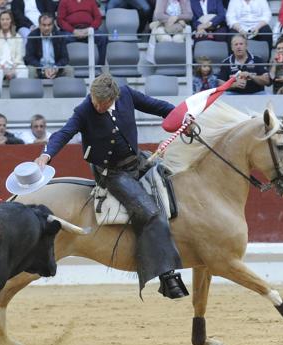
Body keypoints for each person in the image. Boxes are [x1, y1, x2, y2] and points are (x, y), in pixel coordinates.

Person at [34, 73, 188, 299]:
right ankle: (167, 275)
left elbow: (156, 106)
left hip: (137, 161)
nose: (96, 105)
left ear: (113, 98)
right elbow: (64, 133)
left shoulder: (125, 93)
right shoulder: (85, 109)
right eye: (94, 100)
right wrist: (46, 155)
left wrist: (182, 115)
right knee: (150, 212)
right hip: (112, 173)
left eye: (101, 103)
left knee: (175, 182)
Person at [0, 10, 28, 87]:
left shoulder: (17, 36)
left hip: (13, 66)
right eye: (2, 19)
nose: (5, 22)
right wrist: (2, 67)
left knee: (23, 69)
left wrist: (13, 69)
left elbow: (20, 55)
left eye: (7, 19)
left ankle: (20, 97)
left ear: (11, 21)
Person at [57, 0, 107, 67]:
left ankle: (100, 67)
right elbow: (60, 20)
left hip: (89, 30)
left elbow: (98, 18)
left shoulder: (91, 1)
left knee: (102, 37)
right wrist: (73, 31)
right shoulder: (64, 1)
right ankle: (62, 67)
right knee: (60, 38)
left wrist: (89, 30)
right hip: (71, 31)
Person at [24, 13, 69, 79]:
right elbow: (29, 58)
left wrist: (56, 67)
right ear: (39, 25)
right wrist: (43, 68)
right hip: (39, 68)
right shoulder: (32, 36)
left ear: (53, 25)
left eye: (49, 25)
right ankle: (32, 89)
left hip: (56, 68)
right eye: (44, 25)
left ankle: (70, 89)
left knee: (69, 69)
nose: (46, 28)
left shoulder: (59, 36)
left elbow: (65, 58)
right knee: (31, 70)